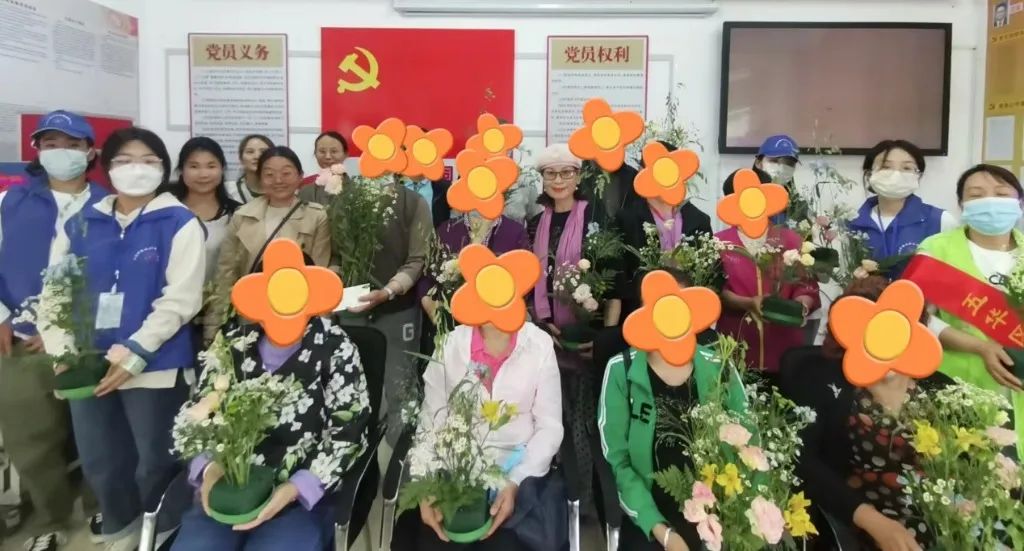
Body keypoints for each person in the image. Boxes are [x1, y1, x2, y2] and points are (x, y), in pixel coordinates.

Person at [51, 126, 206, 551]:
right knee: (101, 458)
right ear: (106, 166)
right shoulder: (81, 223)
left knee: (156, 458)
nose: (136, 169)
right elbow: (56, 290)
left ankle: (162, 529)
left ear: (163, 169)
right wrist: (62, 350)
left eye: (148, 161)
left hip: (155, 364)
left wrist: (137, 351)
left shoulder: (179, 222)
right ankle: (120, 527)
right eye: (124, 160)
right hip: (88, 360)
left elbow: (182, 298)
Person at [171, 287, 370, 550]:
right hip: (228, 489)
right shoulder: (232, 343)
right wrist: (208, 469)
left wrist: (295, 489)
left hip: (299, 500)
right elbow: (200, 413)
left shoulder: (335, 347)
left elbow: (348, 432)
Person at [0, 110, 105, 550]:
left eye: (72, 145)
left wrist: (65, 328)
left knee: (98, 433)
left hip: (88, 341)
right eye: (50, 144)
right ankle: (49, 519)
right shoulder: (10, 201)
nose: (61, 152)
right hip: (19, 341)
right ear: (37, 151)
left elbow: (114, 275)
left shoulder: (109, 205)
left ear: (90, 152)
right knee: (31, 439)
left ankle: (102, 505)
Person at [782, 276, 943, 551]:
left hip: (939, 516)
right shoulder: (821, 379)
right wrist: (870, 520)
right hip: (858, 520)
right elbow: (802, 459)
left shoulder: (940, 388)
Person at [527, 143, 620, 514]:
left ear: (579, 177)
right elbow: (530, 280)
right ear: (542, 179)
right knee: (549, 417)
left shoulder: (597, 221)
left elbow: (613, 285)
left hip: (586, 340)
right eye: (551, 173)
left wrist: (603, 339)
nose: (558, 180)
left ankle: (583, 501)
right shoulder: (535, 223)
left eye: (566, 172)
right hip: (545, 336)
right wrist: (542, 322)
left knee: (582, 419)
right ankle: (551, 496)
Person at [416, 321, 563, 550]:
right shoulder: (451, 345)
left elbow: (549, 426)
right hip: (457, 476)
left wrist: (515, 480)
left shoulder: (538, 344)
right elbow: (431, 419)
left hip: (519, 473)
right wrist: (426, 481)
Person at [598, 270, 717, 551]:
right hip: (648, 512)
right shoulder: (622, 370)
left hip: (717, 507)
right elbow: (618, 460)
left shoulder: (718, 367)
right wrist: (663, 533)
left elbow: (747, 440)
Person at [910, 165, 1024, 452]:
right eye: (977, 194)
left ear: (1018, 202)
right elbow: (916, 316)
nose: (990, 201)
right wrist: (979, 346)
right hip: (958, 385)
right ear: (961, 205)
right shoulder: (936, 250)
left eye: (1001, 194)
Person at [205, 146, 331, 342]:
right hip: (251, 316)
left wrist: (321, 326)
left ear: (300, 176)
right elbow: (225, 275)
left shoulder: (316, 216)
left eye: (286, 173)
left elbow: (321, 276)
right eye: (269, 174)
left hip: (301, 317)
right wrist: (213, 331)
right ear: (260, 179)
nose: (278, 180)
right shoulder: (242, 216)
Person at [716, 167, 821, 380]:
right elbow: (715, 290)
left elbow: (807, 285)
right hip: (736, 344)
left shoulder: (791, 240)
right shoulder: (719, 243)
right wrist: (747, 303)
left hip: (785, 348)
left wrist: (801, 306)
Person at [615, 140, 713, 318]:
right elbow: (620, 276)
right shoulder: (626, 218)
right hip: (640, 313)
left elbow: (712, 273)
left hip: (687, 314)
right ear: (642, 173)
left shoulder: (699, 220)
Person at [417, 211, 528, 358]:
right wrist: (430, 304)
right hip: (451, 325)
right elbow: (427, 276)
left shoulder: (515, 232)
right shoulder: (446, 229)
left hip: (496, 332)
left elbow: (524, 282)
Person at [847, 140, 957, 278]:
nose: (896, 174)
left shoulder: (941, 220)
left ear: (918, 175)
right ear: (869, 174)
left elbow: (956, 276)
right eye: (886, 167)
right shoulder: (852, 224)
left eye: (906, 168)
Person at [170, 137, 242, 285]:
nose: (203, 174)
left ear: (222, 169)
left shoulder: (237, 213)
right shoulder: (166, 210)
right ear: (181, 171)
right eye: (194, 166)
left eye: (211, 166)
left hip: (222, 296)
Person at [229, 134, 273, 204]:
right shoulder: (230, 192)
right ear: (240, 159)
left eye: (263, 152)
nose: (257, 156)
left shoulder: (284, 190)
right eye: (250, 152)